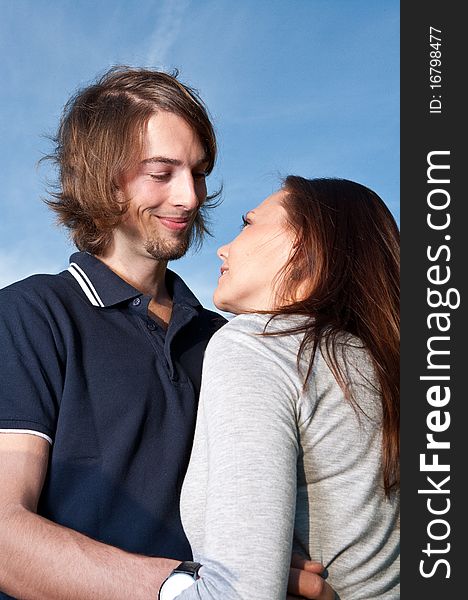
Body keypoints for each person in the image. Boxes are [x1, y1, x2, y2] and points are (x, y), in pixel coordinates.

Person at [0, 67, 332, 600]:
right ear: (102, 174)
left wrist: (267, 569)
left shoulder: (226, 341)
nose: (190, 196)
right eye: (162, 172)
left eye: (198, 173)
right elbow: (4, 539)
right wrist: (188, 587)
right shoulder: (29, 315)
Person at [172, 177, 400, 599]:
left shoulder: (255, 345)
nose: (224, 248)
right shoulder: (381, 364)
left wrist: (173, 584)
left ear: (303, 243)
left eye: (248, 223)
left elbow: (239, 593)